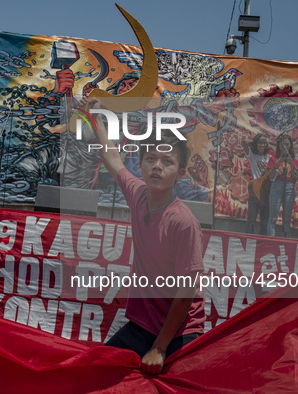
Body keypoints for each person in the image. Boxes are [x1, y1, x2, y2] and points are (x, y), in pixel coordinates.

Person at [85, 98, 205, 375]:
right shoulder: (138, 194)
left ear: (180, 174)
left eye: (167, 161)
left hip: (179, 331)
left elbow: (186, 293)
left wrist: (160, 349)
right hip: (143, 325)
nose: (157, 166)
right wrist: (94, 116)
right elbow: (111, 156)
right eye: (150, 159)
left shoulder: (184, 222)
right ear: (140, 164)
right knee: (94, 371)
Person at [267, 134, 298, 237]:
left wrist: (291, 164)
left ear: (290, 146)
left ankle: (285, 238)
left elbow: (295, 178)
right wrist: (278, 162)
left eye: (287, 144)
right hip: (276, 185)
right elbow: (270, 176)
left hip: (289, 186)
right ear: (278, 145)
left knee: (287, 216)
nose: (284, 146)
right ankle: (270, 238)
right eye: (282, 144)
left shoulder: (294, 161)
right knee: (273, 216)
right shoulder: (273, 158)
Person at [243, 133, 270, 235]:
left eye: (264, 143)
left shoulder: (269, 157)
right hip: (254, 192)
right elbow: (245, 143)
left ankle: (262, 243)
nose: (263, 145)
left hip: (265, 193)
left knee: (265, 221)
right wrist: (256, 142)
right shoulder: (252, 156)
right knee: (251, 220)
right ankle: (248, 240)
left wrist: (261, 142)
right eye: (260, 143)